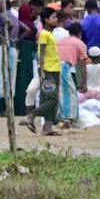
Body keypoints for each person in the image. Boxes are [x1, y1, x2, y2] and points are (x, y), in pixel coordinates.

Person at [24, 8, 61, 136]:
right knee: (52, 99)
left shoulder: (50, 34)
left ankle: (47, 127)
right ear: (46, 19)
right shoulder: (44, 34)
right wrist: (42, 71)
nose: (56, 20)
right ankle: (31, 116)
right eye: (54, 17)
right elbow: (42, 53)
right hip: (48, 70)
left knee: (49, 99)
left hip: (55, 70)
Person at [56, 23, 87, 126]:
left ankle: (60, 117)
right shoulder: (80, 43)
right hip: (64, 67)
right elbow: (82, 65)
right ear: (79, 33)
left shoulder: (60, 41)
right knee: (68, 93)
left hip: (53, 66)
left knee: (59, 92)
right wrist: (83, 82)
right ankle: (66, 118)